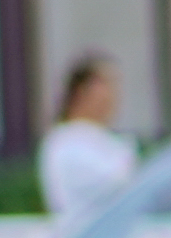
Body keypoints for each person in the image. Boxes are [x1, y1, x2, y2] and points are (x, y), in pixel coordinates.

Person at [37, 55, 136, 228]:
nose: (113, 95)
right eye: (105, 84)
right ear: (81, 91)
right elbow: (116, 185)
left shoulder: (108, 141)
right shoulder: (66, 141)